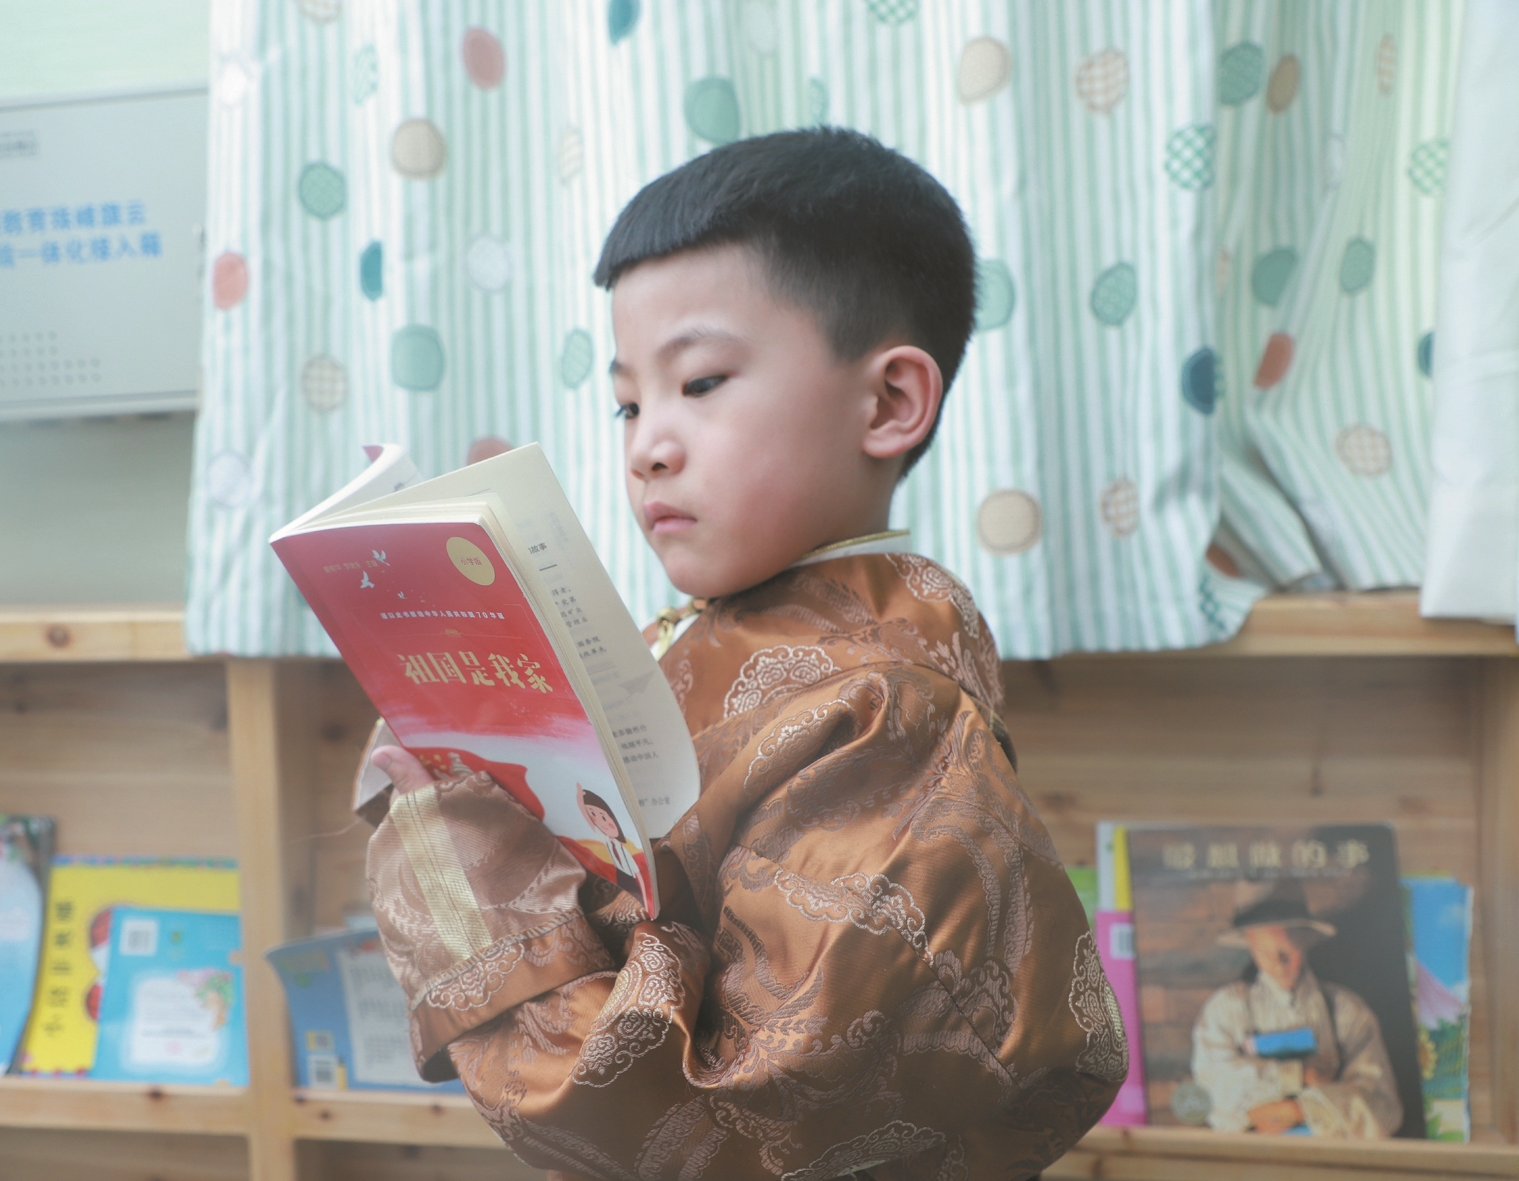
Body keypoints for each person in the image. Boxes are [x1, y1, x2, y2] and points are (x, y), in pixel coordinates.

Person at [363, 127, 1125, 1180]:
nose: (646, 444)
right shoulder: (688, 643)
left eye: (703, 381)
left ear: (889, 402)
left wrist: (461, 859)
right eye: (628, 401)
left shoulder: (887, 720)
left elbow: (725, 1120)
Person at [1191, 886, 1402, 1139]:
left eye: (1287, 949)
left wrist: (1298, 1110)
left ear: (1307, 939)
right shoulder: (1225, 1010)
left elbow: (1383, 1108)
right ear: (1249, 945)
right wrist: (1297, 1075)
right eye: (1263, 952)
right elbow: (1212, 1091)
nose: (1278, 964)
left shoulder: (1347, 1011)